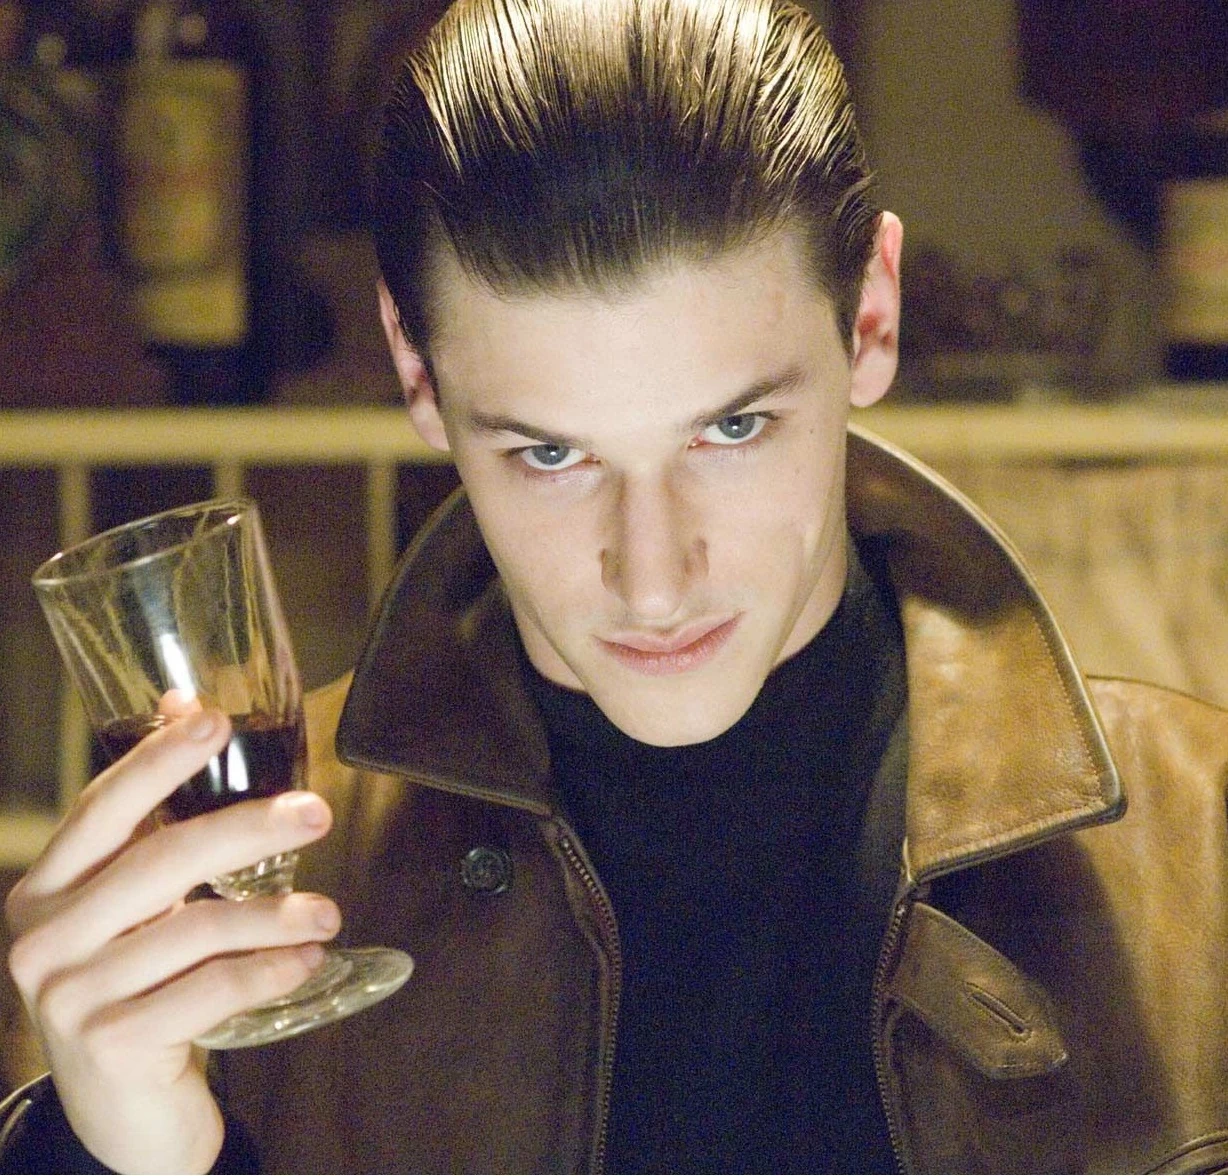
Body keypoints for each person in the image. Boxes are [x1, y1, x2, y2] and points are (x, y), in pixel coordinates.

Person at [3, 0, 1228, 1171]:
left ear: (868, 318)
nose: (651, 582)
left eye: (731, 430)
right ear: (417, 375)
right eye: (551, 455)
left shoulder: (1204, 848)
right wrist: (107, 1163)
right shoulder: (212, 929)